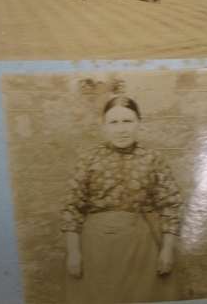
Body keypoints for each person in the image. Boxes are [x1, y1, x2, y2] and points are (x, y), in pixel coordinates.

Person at [61, 96, 182, 304]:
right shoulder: (88, 161)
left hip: (143, 247)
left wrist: (167, 249)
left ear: (139, 123)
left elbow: (171, 205)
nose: (121, 129)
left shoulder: (153, 159)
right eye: (113, 122)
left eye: (128, 121)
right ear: (104, 126)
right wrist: (74, 252)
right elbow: (72, 208)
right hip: (96, 248)